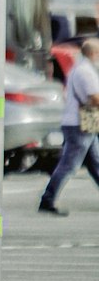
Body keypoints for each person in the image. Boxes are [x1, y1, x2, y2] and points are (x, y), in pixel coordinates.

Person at [39, 37, 99, 217]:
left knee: (96, 162)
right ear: (93, 53)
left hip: (80, 122)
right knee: (69, 165)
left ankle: (48, 199)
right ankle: (47, 199)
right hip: (79, 124)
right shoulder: (86, 72)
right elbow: (94, 98)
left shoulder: (78, 69)